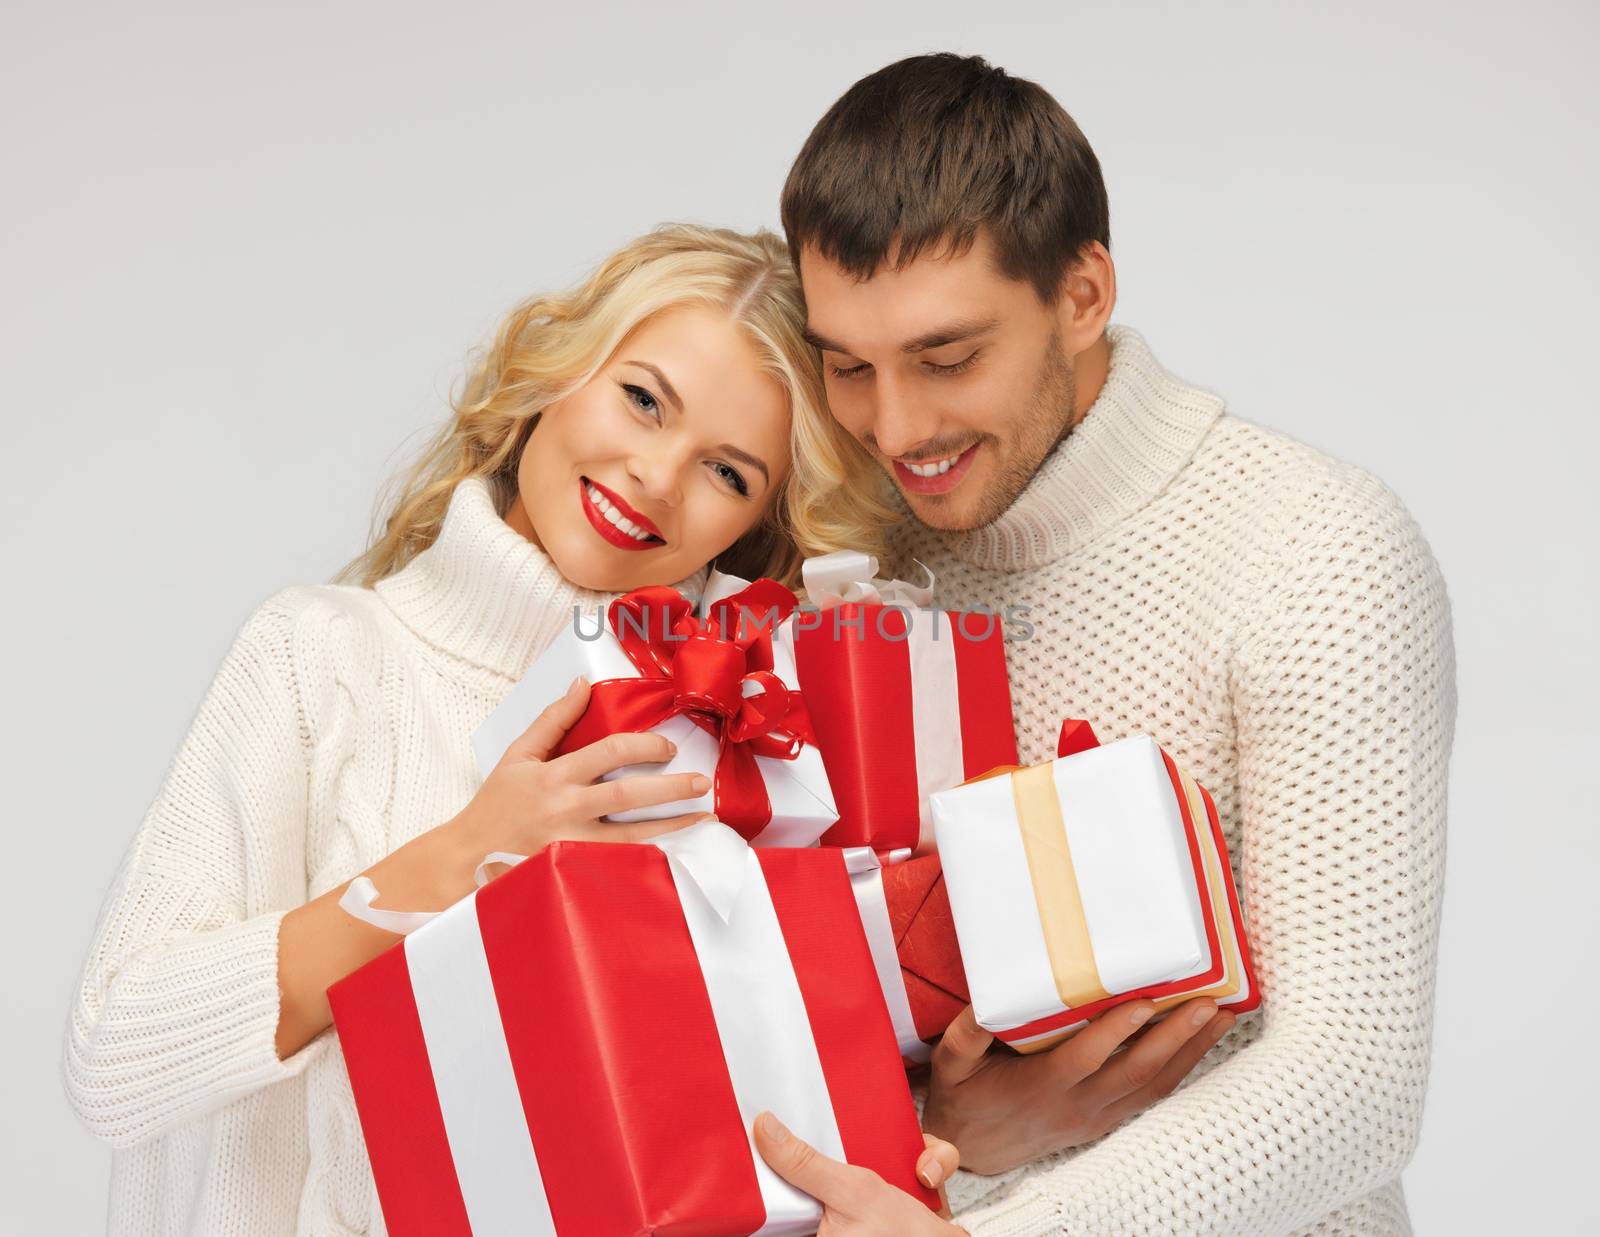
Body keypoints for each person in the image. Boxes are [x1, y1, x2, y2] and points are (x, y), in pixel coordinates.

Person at [60, 223, 957, 1235]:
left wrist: (892, 1128)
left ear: (752, 526)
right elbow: (117, 1051)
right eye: (642, 399)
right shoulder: (321, 656)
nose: (657, 476)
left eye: (728, 472)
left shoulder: (746, 730)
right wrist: (469, 854)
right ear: (555, 372)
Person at [765, 54, 1455, 1235]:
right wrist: (959, 1135)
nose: (897, 425)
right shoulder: (839, 559)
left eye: (946, 358)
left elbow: (1353, 1083)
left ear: (1082, 295)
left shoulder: (1309, 544)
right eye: (847, 366)